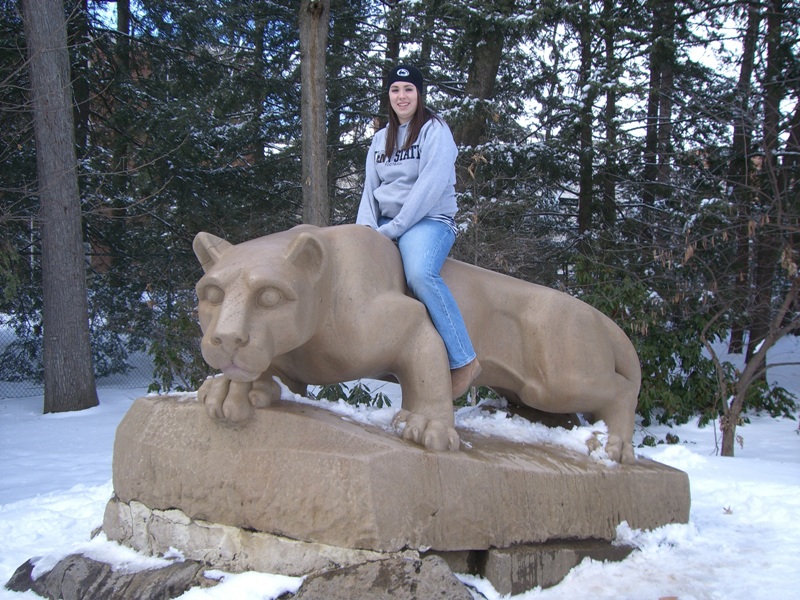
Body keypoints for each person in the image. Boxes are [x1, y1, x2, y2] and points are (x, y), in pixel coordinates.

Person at [356, 64, 481, 399]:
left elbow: (429, 187)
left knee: (420, 274)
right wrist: (365, 232)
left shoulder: (435, 130)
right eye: (395, 90)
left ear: (419, 94)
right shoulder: (380, 140)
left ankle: (463, 358)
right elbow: (369, 191)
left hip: (429, 221)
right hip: (386, 226)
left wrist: (394, 229)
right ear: (389, 96)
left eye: (408, 89)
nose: (401, 96)